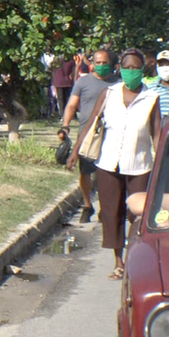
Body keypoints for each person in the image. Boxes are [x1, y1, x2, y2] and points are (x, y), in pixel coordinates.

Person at [68, 48, 160, 281]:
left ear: (143, 70)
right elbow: (92, 123)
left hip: (139, 164)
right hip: (108, 163)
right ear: (120, 68)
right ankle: (119, 262)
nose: (131, 72)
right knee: (111, 212)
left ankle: (135, 258)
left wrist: (160, 161)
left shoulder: (151, 98)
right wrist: (75, 150)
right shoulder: (109, 93)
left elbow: (156, 133)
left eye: (135, 68)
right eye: (127, 67)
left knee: (136, 214)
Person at [61, 49, 120, 223]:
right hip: (86, 134)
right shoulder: (83, 81)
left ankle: (104, 207)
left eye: (105, 63)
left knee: (106, 173)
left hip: (110, 134)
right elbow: (71, 105)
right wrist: (65, 126)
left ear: (112, 64)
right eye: (98, 62)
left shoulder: (118, 83)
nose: (101, 66)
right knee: (85, 171)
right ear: (92, 63)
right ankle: (88, 205)